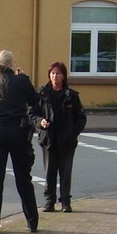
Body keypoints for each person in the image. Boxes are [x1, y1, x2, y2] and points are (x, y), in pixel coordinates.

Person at [0, 50, 42, 234]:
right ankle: (32, 221)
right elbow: (35, 101)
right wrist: (25, 78)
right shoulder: (21, 81)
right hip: (18, 134)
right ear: (11, 64)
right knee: (23, 178)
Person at [36, 61, 87, 212]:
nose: (55, 76)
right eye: (52, 73)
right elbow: (32, 113)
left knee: (65, 173)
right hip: (48, 139)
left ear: (63, 76)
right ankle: (49, 202)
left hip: (66, 141)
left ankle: (65, 202)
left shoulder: (71, 96)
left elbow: (81, 118)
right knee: (49, 172)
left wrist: (73, 131)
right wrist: (40, 122)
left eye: (58, 73)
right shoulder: (42, 94)